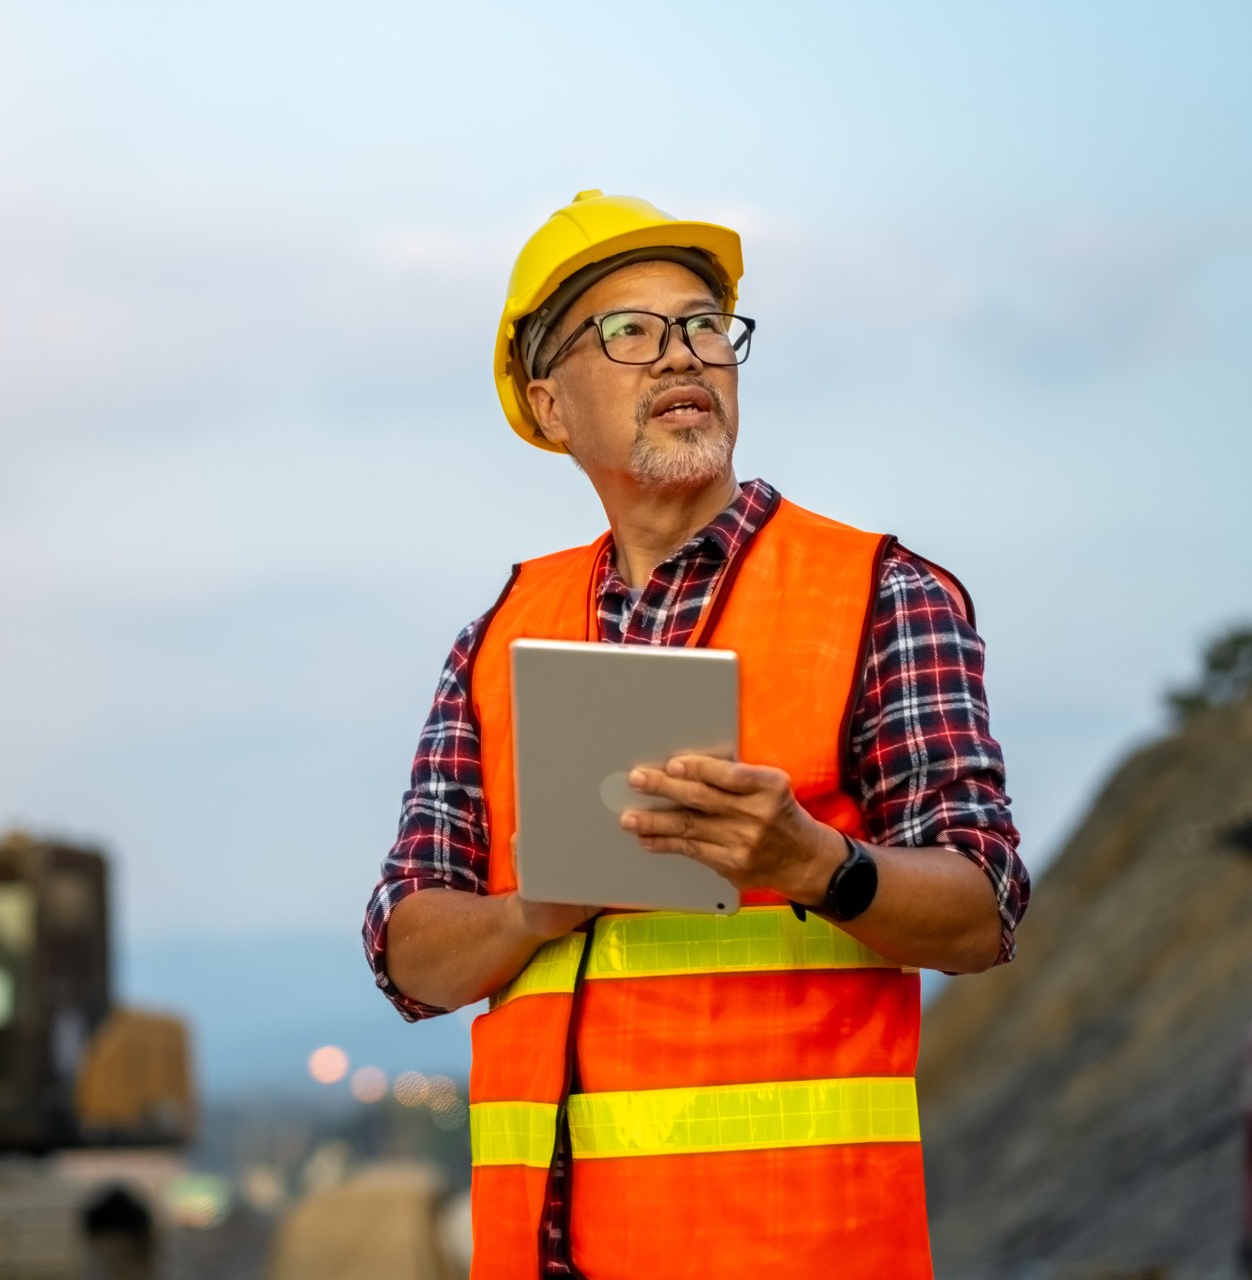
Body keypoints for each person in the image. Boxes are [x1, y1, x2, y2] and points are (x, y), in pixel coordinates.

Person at [361, 192, 1029, 1278]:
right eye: (629, 331)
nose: (683, 355)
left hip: (800, 1252)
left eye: (704, 325)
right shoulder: (498, 636)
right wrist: (535, 908)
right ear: (550, 403)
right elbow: (408, 952)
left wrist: (813, 862)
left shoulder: (878, 595)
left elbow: (984, 909)